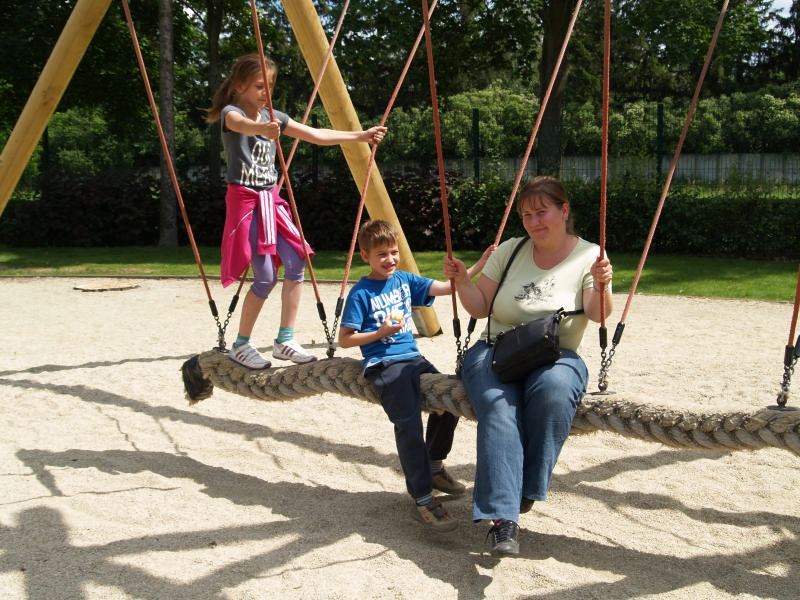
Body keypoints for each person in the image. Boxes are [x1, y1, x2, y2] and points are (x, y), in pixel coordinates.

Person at [442, 175, 614, 555]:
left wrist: (602, 286)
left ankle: (524, 489)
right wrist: (462, 281)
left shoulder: (590, 257)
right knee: (499, 407)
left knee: (554, 393)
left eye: (542, 212)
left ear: (564, 211)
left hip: (556, 354)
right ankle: (504, 520)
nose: (534, 222)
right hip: (495, 349)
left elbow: (597, 313)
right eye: (527, 215)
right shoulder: (510, 250)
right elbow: (480, 306)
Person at [207, 53, 387, 369]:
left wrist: (361, 136)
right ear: (239, 86)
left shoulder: (275, 117)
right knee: (265, 277)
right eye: (259, 86)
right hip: (246, 203)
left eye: (270, 86)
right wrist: (262, 128)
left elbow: (316, 135)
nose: (266, 92)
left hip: (270, 201)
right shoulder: (232, 113)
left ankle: (285, 340)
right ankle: (241, 344)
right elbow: (243, 126)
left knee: (296, 260)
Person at [339, 220, 494, 533]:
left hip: (412, 359)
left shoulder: (404, 280)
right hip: (384, 363)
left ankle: (434, 464)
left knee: (450, 399)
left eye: (394, 252)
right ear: (365, 256)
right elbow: (345, 339)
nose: (390, 259)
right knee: (408, 423)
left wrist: (478, 265)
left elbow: (448, 287)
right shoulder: (361, 293)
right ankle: (422, 496)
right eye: (382, 254)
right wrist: (380, 332)